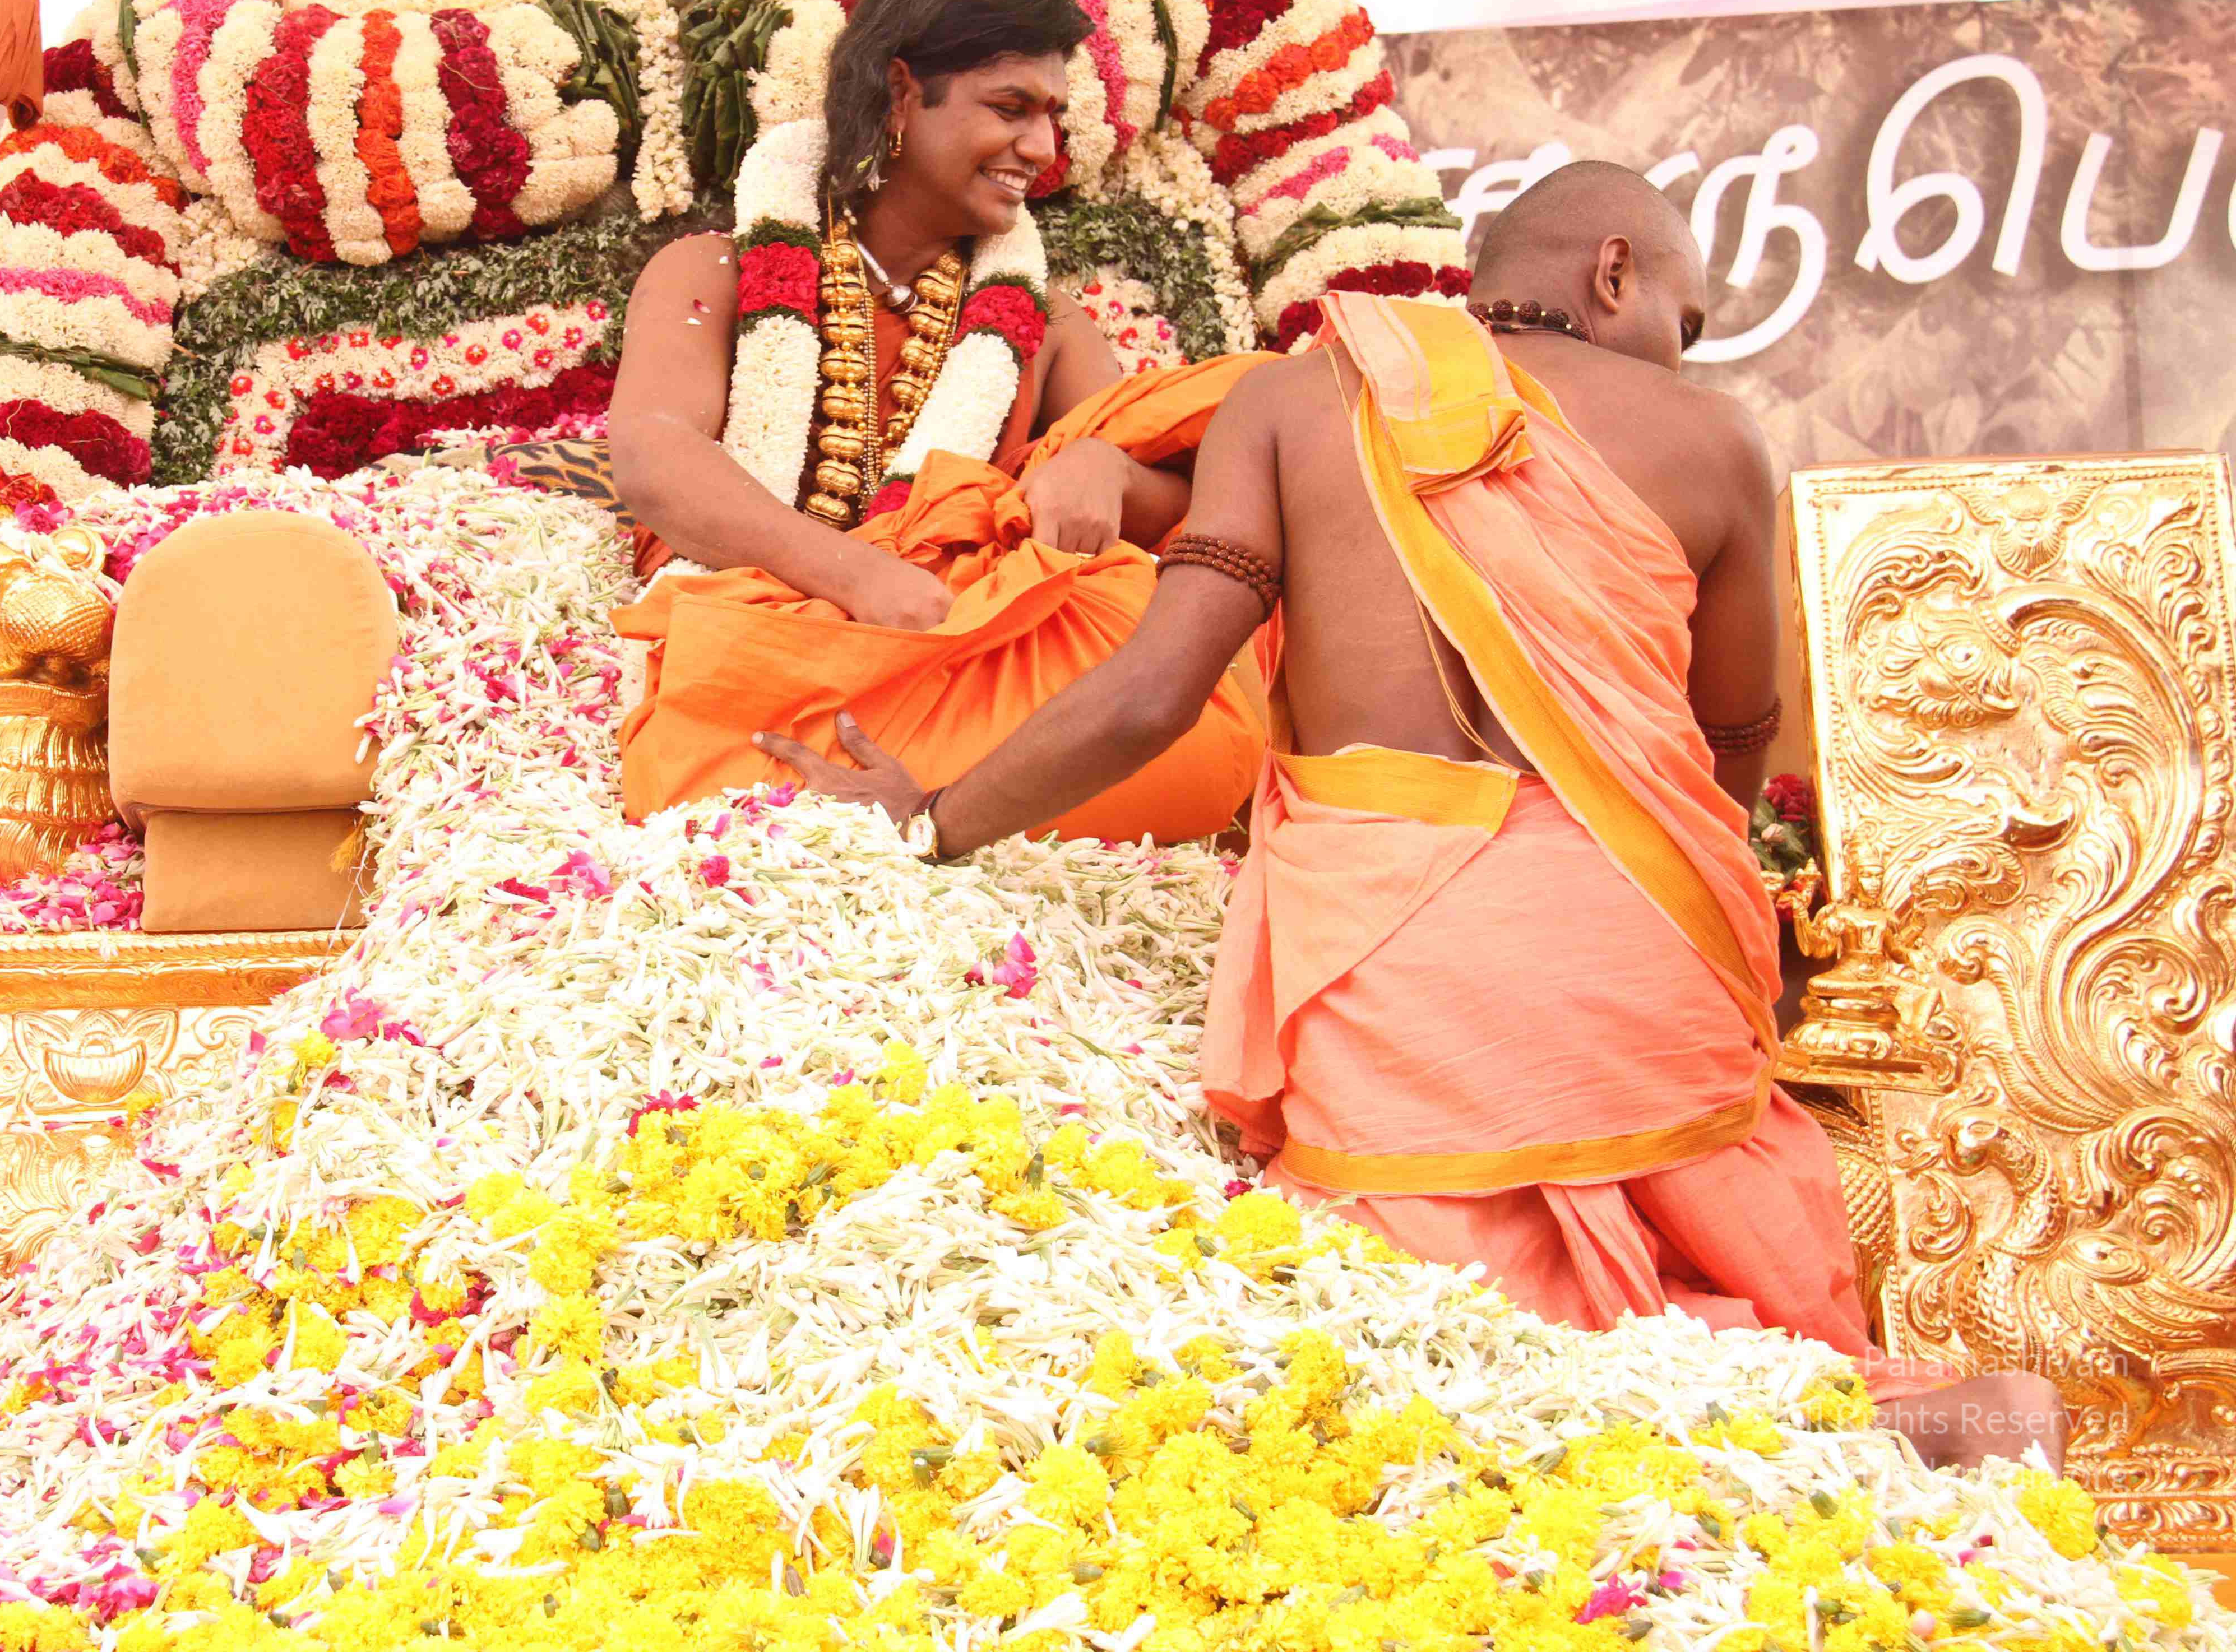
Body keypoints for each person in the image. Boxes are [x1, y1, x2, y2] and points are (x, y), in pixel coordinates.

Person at [761, 160, 2065, 1470]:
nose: (1687, 352)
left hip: (1397, 961)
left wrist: (931, 815)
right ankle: (1944, 1425)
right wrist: (1670, 893)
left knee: (1442, 1369)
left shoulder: (1293, 402)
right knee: (1662, 1312)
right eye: (1688, 318)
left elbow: (1151, 696)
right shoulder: (1714, 440)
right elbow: (1729, 745)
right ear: (1614, 273)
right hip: (1640, 950)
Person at [608, 0, 1266, 845]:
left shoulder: (1043, 322)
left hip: (964, 656)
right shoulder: (713, 271)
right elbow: (654, 456)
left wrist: (1105, 468)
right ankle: (938, 809)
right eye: (1011, 108)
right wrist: (863, 578)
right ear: (900, 95)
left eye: (1053, 116)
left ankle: (941, 809)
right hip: (761, 656)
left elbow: (1184, 511)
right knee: (724, 787)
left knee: (1189, 739)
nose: (1043, 149)